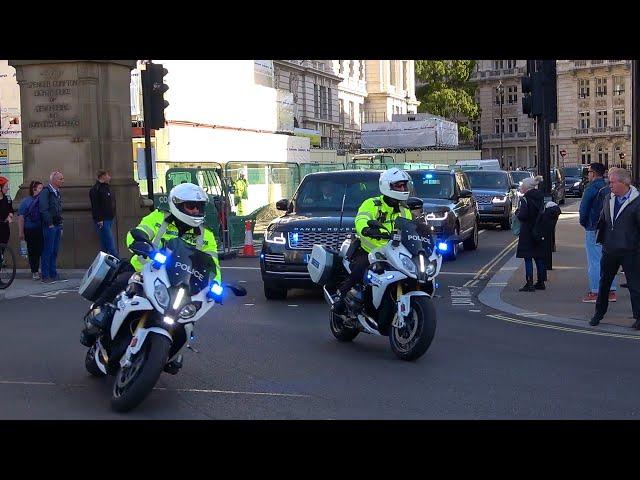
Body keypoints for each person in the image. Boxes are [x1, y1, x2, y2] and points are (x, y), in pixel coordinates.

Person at [85, 183, 222, 345]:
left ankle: (172, 348)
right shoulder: (158, 217)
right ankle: (96, 315)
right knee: (123, 281)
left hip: (178, 282)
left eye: (199, 207)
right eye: (191, 206)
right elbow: (138, 232)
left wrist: (215, 284)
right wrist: (141, 244)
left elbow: (213, 264)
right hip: (143, 269)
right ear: (177, 205)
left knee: (188, 316)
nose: (196, 211)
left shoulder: (207, 235)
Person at [332, 168, 413, 314]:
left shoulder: (404, 210)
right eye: (398, 186)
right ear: (387, 186)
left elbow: (410, 229)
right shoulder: (372, 204)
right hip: (370, 250)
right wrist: (366, 229)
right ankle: (340, 297)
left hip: (393, 253)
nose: (402, 189)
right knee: (361, 268)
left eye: (404, 185)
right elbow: (361, 219)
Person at [590, 167, 640, 328]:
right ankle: (598, 314)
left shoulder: (637, 201)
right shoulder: (607, 197)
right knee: (604, 283)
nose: (609, 185)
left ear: (624, 183)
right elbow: (603, 219)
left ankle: (638, 317)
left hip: (630, 250)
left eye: (612, 182)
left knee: (635, 285)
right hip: (609, 249)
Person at [579, 162, 616, 303]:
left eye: (589, 172)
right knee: (608, 259)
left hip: (593, 227)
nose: (588, 174)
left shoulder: (591, 188)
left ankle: (595, 291)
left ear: (593, 173)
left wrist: (584, 223)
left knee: (594, 261)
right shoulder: (608, 187)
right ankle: (611, 291)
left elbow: (584, 210)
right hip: (608, 227)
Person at [515, 176, 546, 292]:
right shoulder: (540, 197)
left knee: (528, 258)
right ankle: (541, 281)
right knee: (538, 257)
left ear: (527, 187)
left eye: (522, 185)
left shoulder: (525, 199)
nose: (521, 187)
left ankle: (529, 283)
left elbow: (523, 215)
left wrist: (518, 213)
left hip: (527, 231)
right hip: (538, 230)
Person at [39, 171, 65, 283]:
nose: (62, 181)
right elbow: (43, 208)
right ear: (53, 180)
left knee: (54, 250)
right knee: (47, 250)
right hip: (49, 225)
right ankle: (45, 275)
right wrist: (49, 223)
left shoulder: (57, 192)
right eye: (60, 179)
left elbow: (59, 209)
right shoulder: (46, 192)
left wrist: (61, 225)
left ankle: (53, 273)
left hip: (57, 224)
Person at [17, 180, 44, 280]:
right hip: (30, 229)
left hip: (41, 228)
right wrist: (21, 232)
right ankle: (35, 271)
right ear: (34, 189)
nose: (42, 190)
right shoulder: (26, 201)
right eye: (40, 188)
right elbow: (21, 217)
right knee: (33, 251)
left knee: (41, 249)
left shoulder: (43, 201)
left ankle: (41, 269)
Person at [89, 169, 118, 257]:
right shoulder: (95, 189)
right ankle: (119, 261)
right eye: (108, 175)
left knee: (104, 244)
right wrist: (99, 219)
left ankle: (104, 262)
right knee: (110, 243)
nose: (109, 177)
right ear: (103, 176)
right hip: (102, 220)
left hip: (109, 219)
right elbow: (95, 206)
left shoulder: (107, 188)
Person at [0, 176, 14, 269]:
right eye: (6, 186)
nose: (7, 188)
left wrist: (10, 215)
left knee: (1, 251)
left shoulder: (7, 198)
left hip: (4, 228)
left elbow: (11, 210)